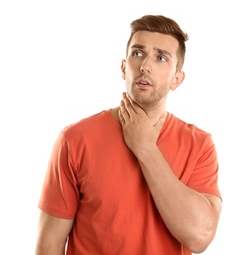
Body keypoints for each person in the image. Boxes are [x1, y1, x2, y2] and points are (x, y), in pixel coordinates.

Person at [35, 15, 222, 255]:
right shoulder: (74, 139)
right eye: (137, 53)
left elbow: (200, 237)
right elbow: (48, 246)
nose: (145, 65)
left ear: (177, 79)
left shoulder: (199, 145)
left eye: (161, 57)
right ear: (124, 68)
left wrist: (145, 148)